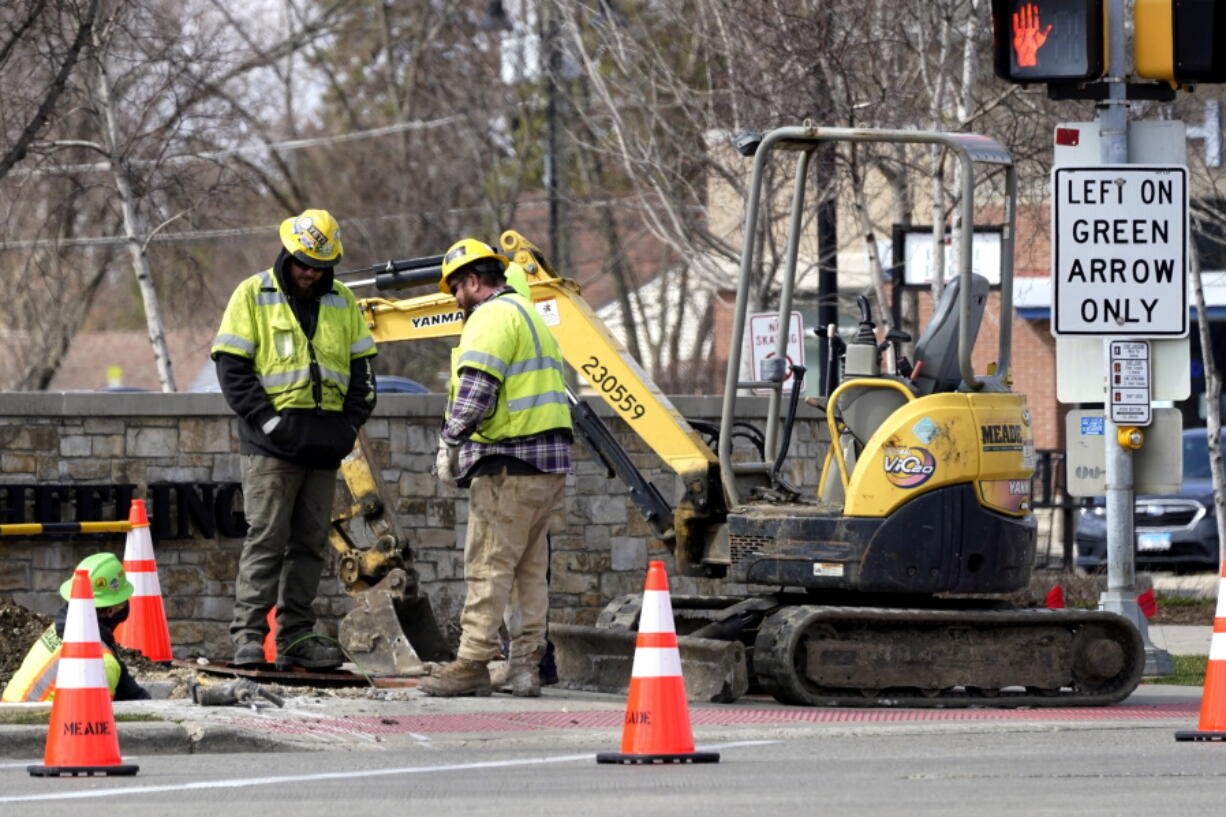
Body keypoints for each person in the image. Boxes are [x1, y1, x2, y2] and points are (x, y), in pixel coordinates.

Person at [211, 208, 377, 670]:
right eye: (303, 263)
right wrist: (270, 424)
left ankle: (297, 636)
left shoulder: (342, 301)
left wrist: (347, 428)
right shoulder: (252, 293)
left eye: (319, 267)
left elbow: (363, 373)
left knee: (309, 545)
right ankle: (248, 638)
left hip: (324, 447)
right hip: (271, 448)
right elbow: (232, 369)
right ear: (287, 252)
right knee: (266, 540)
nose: (309, 273)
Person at [418, 238, 572, 698]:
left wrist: (449, 442)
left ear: (471, 281)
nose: (455, 300)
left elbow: (476, 390)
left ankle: (471, 663)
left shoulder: (490, 318)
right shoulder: (529, 316)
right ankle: (526, 666)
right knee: (528, 570)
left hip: (508, 462)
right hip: (547, 464)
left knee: (487, 564)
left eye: (455, 290)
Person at [2, 552, 149, 702]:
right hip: (35, 722)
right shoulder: (102, 662)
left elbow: (129, 692)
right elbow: (97, 720)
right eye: (122, 602)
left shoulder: (61, 627)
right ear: (110, 611)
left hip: (10, 714)